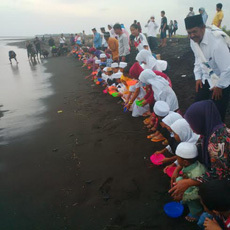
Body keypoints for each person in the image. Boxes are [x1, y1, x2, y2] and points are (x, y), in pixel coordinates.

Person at [169, 100, 230, 207]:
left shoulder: (218, 140)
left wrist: (189, 182)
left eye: (192, 123)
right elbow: (197, 149)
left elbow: (219, 174)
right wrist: (178, 167)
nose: (191, 127)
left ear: (201, 120)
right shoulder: (209, 131)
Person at [184, 14, 230, 121]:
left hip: (223, 79)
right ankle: (201, 132)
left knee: (218, 113)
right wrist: (198, 77)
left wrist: (219, 86)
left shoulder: (217, 44)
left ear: (203, 28)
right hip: (207, 77)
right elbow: (198, 58)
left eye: (194, 31)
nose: (192, 35)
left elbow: (227, 69)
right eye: (189, 33)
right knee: (197, 107)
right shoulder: (193, 40)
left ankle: (218, 135)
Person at [175, 142, 206, 222]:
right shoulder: (190, 165)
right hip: (193, 186)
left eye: (178, 158)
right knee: (179, 180)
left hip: (201, 194)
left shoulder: (197, 173)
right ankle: (186, 200)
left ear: (185, 162)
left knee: (189, 195)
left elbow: (198, 193)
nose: (176, 160)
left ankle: (197, 212)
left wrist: (183, 196)